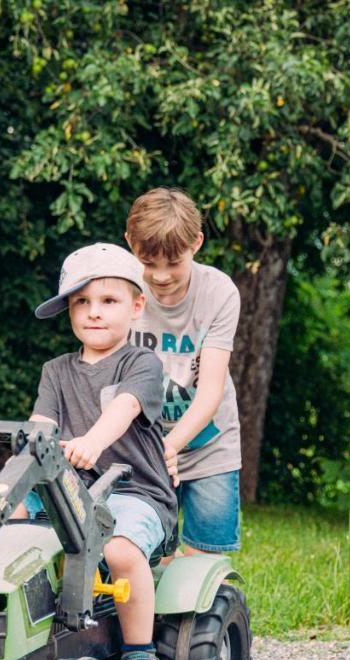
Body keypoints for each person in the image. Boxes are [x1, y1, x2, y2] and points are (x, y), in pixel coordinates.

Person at [24, 242, 177, 660]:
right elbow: (41, 426)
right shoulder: (55, 371)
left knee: (119, 551)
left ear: (136, 306)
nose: (93, 313)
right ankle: (27, 632)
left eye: (107, 301)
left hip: (136, 494)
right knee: (12, 532)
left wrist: (92, 441)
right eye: (81, 302)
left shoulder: (141, 363)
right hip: (69, 491)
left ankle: (139, 652)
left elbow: (125, 408)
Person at [125, 187, 242, 557]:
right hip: (140, 445)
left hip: (209, 444)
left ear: (197, 243)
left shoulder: (219, 292)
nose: (160, 276)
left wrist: (171, 446)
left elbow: (210, 391)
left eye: (173, 262)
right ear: (129, 243)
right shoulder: (118, 288)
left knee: (204, 562)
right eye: (148, 262)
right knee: (148, 554)